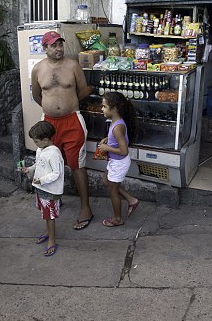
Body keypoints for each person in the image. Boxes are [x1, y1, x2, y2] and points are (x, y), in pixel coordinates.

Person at [31, 31, 94, 230]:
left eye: (60, 44)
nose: (58, 49)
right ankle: (54, 198)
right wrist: (52, 108)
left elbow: (82, 91)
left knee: (77, 165)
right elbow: (37, 95)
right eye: (53, 45)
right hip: (49, 123)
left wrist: (66, 105)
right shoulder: (38, 69)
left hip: (72, 121)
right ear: (45, 48)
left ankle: (86, 208)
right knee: (49, 163)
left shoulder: (73, 65)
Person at [97, 92, 141, 227]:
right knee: (106, 181)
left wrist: (107, 148)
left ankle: (117, 219)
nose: (102, 109)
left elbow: (124, 150)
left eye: (104, 106)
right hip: (115, 161)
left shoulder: (117, 127)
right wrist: (107, 140)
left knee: (113, 190)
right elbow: (116, 141)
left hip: (119, 162)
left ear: (114, 108)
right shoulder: (115, 121)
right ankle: (131, 200)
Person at [21, 121, 64, 257]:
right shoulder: (41, 150)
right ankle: (48, 232)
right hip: (40, 187)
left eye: (36, 141)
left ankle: (52, 239)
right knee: (45, 213)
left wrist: (42, 180)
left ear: (46, 139)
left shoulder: (54, 153)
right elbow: (38, 164)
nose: (35, 144)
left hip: (49, 189)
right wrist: (29, 169)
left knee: (50, 215)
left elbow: (57, 173)